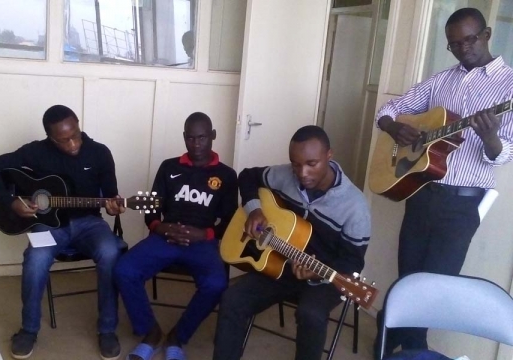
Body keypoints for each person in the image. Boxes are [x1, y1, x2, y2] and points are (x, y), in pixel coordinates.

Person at [373, 7, 513, 357]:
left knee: (433, 285)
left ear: (486, 34)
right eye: (454, 44)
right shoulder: (440, 81)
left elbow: (504, 153)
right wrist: (394, 127)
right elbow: (387, 111)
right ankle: (392, 341)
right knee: (407, 276)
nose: (463, 48)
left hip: (461, 206)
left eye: (470, 39)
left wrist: (491, 138)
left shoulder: (508, 86)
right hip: (421, 192)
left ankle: (408, 346)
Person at [0, 105, 125, 360]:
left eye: (75, 135)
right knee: (35, 260)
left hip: (89, 222)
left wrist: (114, 207)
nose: (72, 144)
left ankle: (107, 329)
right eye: (63, 140)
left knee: (111, 252)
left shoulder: (100, 153)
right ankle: (28, 330)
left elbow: (111, 194)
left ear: (78, 124)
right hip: (49, 226)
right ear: (50, 137)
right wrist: (11, 201)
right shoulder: (35, 152)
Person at [213, 125, 371, 360]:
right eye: (296, 164)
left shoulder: (355, 206)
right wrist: (254, 210)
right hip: (280, 264)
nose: (302, 173)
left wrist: (316, 273)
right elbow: (247, 176)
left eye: (311, 164)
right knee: (232, 299)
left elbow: (352, 263)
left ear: (329, 156)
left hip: (324, 276)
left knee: (311, 314)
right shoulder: (285, 175)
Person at [114, 112, 238, 360]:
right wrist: (160, 227)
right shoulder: (169, 166)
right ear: (184, 138)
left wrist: (204, 234)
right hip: (165, 236)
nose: (196, 144)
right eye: (190, 138)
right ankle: (150, 332)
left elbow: (230, 222)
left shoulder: (226, 175)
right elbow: (152, 209)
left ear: (212, 136)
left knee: (216, 284)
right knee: (123, 269)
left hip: (202, 241)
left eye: (202, 137)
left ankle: (177, 337)